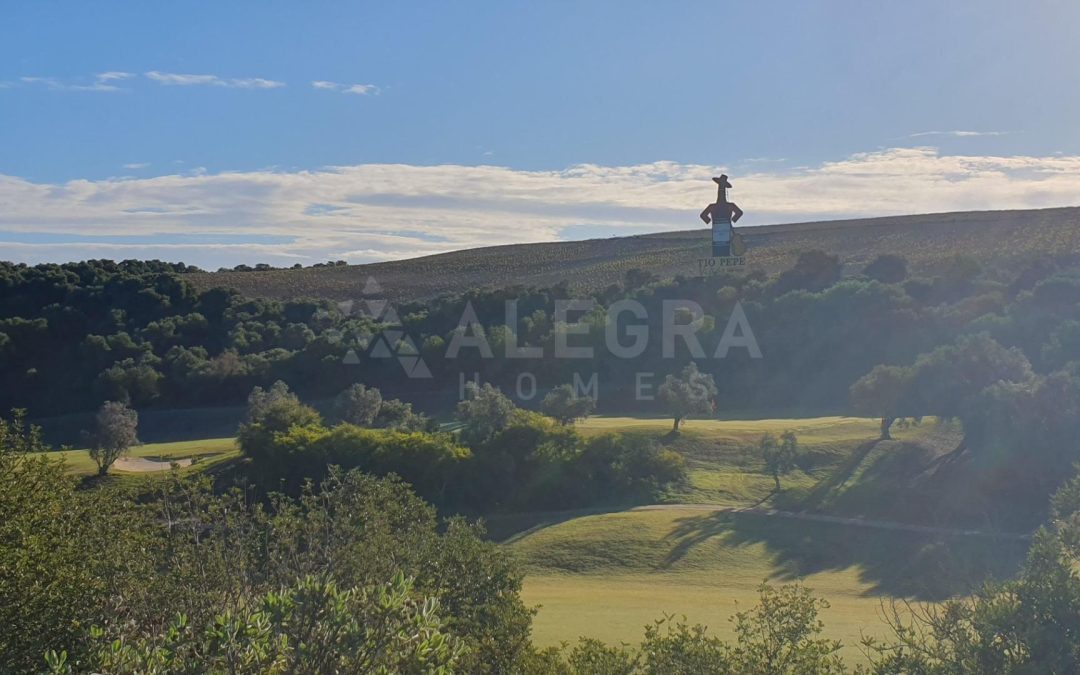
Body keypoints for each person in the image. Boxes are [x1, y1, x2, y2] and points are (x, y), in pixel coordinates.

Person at [699, 175, 744, 257]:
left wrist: (709, 221)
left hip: (721, 230)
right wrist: (733, 220)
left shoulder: (715, 207)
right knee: (719, 247)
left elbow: (703, 215)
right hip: (719, 230)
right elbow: (739, 213)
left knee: (723, 247)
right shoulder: (727, 206)